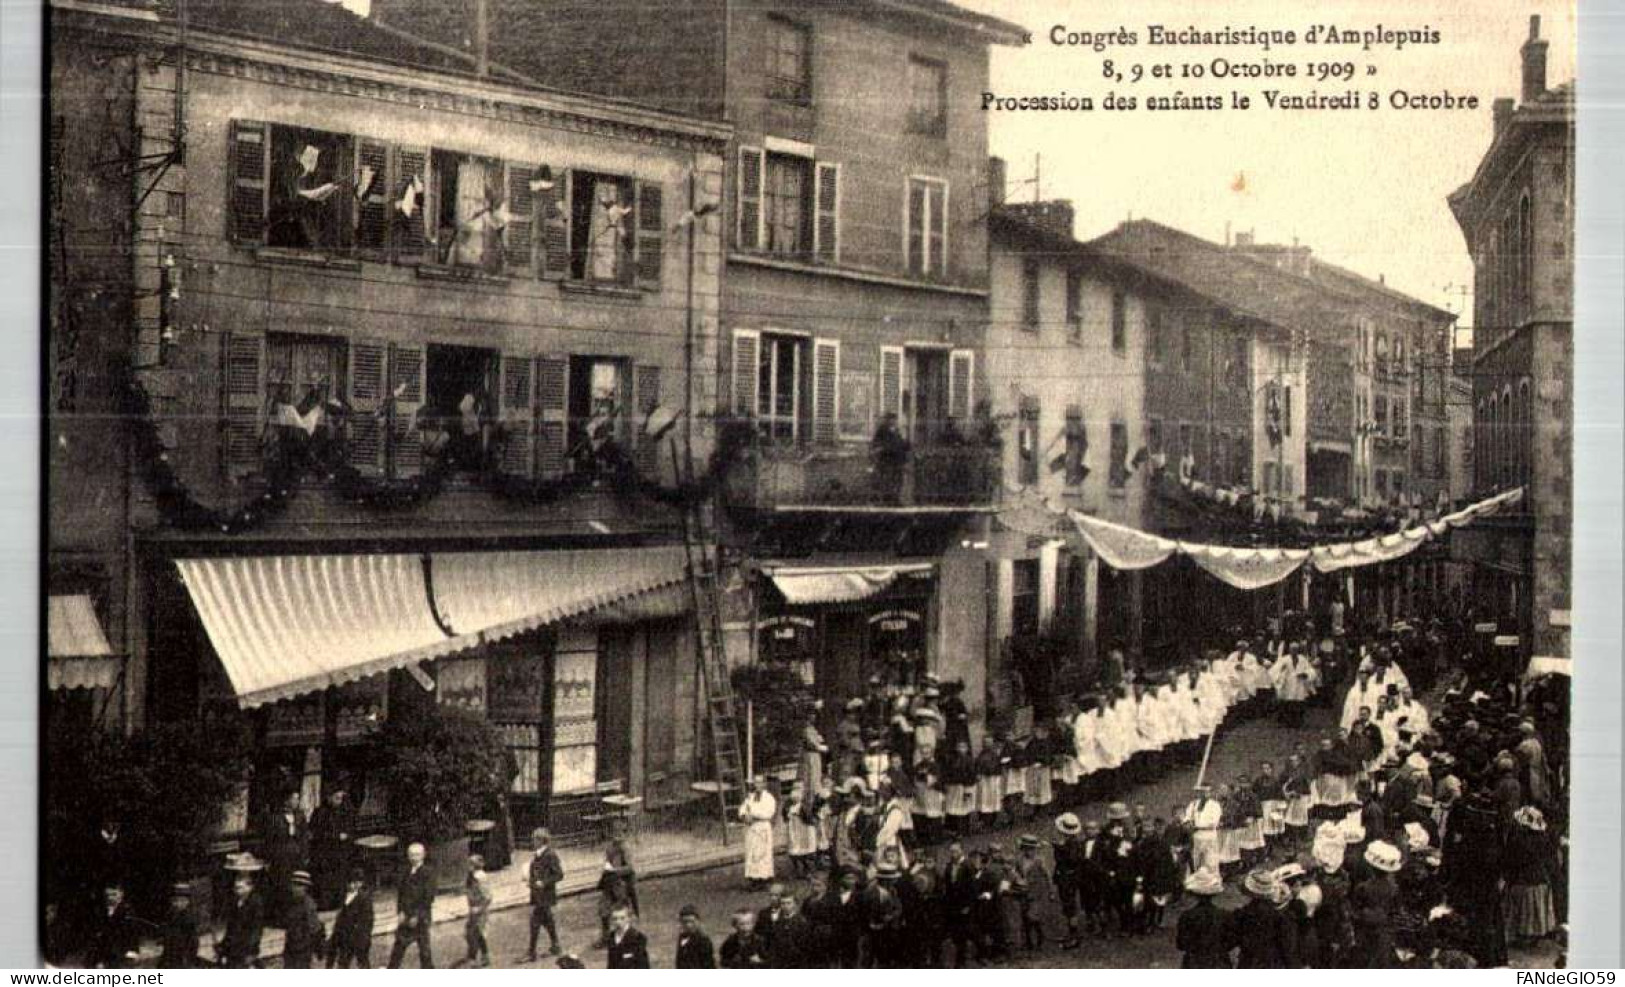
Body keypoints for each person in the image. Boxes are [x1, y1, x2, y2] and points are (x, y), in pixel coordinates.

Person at [1503, 806, 1558, 945]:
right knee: (1535, 906)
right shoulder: (1544, 838)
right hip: (1541, 879)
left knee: (1523, 903)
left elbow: (1513, 860)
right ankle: (1534, 934)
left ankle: (1524, 934)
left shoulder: (1520, 840)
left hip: (1525, 880)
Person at [1350, 840, 1403, 968]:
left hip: (1364, 932)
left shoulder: (1363, 888)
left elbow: (1355, 911)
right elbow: (1396, 912)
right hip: (1383, 933)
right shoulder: (1394, 889)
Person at [1230, 869, 1295, 968]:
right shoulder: (1280, 917)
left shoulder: (1242, 914)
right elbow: (1286, 948)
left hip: (1248, 963)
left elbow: (1231, 940)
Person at [262, 790, 310, 924]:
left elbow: (304, 836)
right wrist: (269, 858)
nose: (296, 801)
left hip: (296, 857)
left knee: (295, 885)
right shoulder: (275, 817)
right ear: (286, 800)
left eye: (297, 798)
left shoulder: (300, 816)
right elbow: (270, 839)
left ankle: (293, 917)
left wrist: (305, 854)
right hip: (280, 857)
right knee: (281, 886)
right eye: (294, 798)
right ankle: (279, 918)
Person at [308, 785, 357, 911]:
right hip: (324, 851)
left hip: (339, 851)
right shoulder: (320, 812)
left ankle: (338, 902)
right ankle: (325, 904)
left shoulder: (343, 812)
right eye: (336, 798)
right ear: (329, 797)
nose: (339, 801)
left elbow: (350, 829)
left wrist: (346, 836)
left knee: (339, 877)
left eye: (341, 798)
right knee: (325, 879)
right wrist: (335, 836)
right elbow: (315, 833)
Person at [387, 842, 435, 968]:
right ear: (408, 856)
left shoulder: (428, 873)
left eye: (417, 855)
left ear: (423, 855)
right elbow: (401, 893)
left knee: (423, 949)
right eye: (411, 855)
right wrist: (400, 911)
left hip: (420, 917)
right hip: (406, 915)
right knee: (400, 945)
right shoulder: (406, 871)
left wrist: (417, 915)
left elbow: (428, 897)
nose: (414, 858)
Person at [1175, 869, 1231, 968]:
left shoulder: (1187, 915)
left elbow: (1181, 944)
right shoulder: (1224, 915)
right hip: (1218, 961)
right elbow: (1229, 942)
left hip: (1194, 962)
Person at [524, 827, 564, 962]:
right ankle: (555, 945)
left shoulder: (550, 854)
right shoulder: (537, 854)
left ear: (541, 840)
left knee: (534, 921)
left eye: (534, 839)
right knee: (548, 921)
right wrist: (530, 881)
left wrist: (544, 883)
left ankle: (531, 952)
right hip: (538, 894)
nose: (532, 841)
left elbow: (559, 874)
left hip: (545, 895)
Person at [219, 862, 266, 969]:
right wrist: (223, 945)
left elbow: (256, 929)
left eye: (241, 883)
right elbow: (231, 927)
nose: (237, 885)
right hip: (233, 949)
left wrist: (251, 950)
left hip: (245, 949)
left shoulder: (256, 903)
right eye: (237, 881)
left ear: (250, 886)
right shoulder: (235, 902)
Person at [327, 868, 374, 969]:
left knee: (363, 962)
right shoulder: (345, 897)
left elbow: (368, 920)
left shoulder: (364, 898)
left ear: (361, 883)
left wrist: (364, 937)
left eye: (357, 882)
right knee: (343, 962)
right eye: (351, 882)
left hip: (358, 937)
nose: (353, 885)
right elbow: (340, 917)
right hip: (345, 937)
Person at [596, 839, 638, 947]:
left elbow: (630, 868)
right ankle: (606, 937)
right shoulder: (610, 847)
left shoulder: (625, 848)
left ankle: (627, 937)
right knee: (603, 910)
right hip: (610, 883)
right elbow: (607, 863)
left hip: (621, 884)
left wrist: (614, 871)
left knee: (621, 912)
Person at [86, 884, 140, 969]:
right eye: (108, 895)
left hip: (120, 951)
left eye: (114, 894)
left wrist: (134, 950)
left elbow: (133, 933)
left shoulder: (128, 911)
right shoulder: (99, 909)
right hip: (99, 950)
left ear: (121, 894)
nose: (110, 898)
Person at [739, 776, 778, 889]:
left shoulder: (769, 798)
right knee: (752, 853)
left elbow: (768, 813)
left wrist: (753, 814)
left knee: (762, 853)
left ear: (764, 784)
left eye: (760, 782)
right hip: (752, 828)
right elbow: (743, 808)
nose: (757, 785)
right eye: (755, 783)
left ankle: (764, 879)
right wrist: (744, 816)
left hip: (762, 827)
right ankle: (754, 879)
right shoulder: (751, 797)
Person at [281, 871, 326, 969]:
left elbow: (315, 929)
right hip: (290, 947)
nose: (295, 888)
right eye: (294, 885)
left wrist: (318, 951)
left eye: (299, 885)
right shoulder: (292, 903)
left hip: (302, 951)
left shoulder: (308, 905)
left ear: (306, 888)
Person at [458, 855, 492, 968]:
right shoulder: (472, 876)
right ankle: (484, 955)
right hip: (473, 909)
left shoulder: (480, 877)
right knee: (475, 933)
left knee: (473, 933)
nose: (469, 867)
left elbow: (487, 897)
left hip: (479, 910)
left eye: (471, 864)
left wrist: (480, 908)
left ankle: (473, 958)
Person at [158, 883, 201, 969]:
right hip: (169, 952)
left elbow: (193, 940)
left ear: (187, 902)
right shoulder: (170, 914)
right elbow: (165, 930)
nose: (178, 904)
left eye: (182, 901)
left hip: (183, 953)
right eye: (175, 901)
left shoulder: (189, 917)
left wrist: (188, 957)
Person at [606, 904, 651, 969]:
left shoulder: (638, 938)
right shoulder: (611, 937)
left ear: (629, 919)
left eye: (622, 918)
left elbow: (643, 965)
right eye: (615, 919)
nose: (618, 922)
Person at [675, 904, 715, 968]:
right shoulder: (682, 937)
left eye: (691, 922)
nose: (688, 925)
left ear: (698, 921)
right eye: (685, 922)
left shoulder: (704, 940)